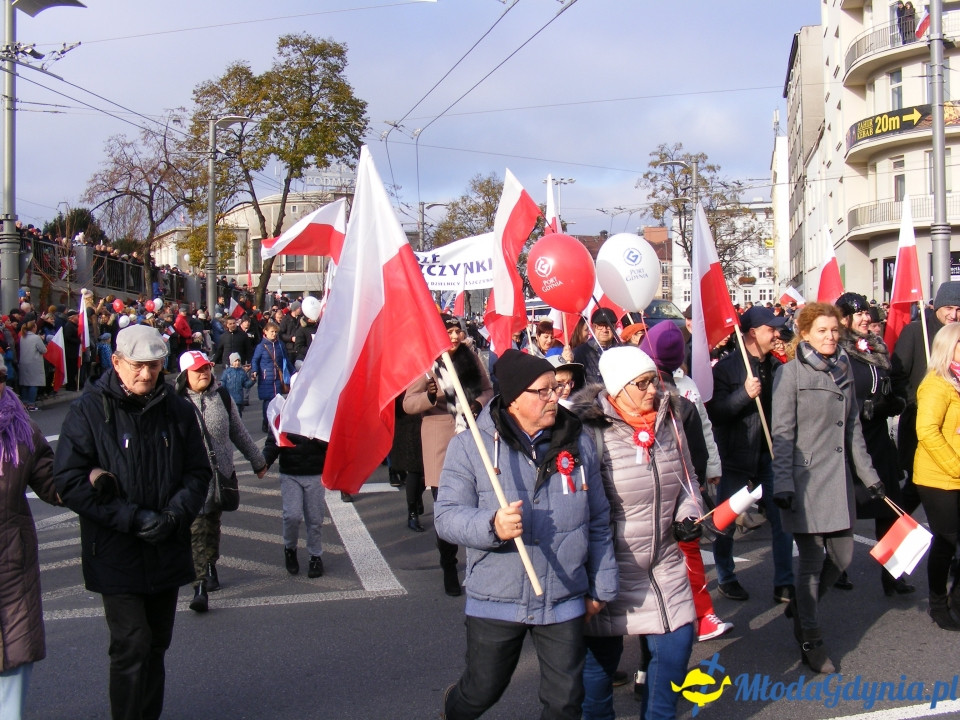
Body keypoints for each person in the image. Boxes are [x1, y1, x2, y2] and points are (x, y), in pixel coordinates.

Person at [435, 349, 618, 720]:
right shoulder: (471, 447)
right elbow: (447, 517)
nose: (556, 397)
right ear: (515, 398)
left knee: (565, 701)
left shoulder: (577, 441)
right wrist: (491, 526)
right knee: (481, 691)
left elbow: (599, 518)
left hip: (563, 594)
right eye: (544, 391)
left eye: (558, 387)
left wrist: (601, 587)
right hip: (497, 595)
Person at [52, 324, 210, 720]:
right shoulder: (88, 410)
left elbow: (197, 472)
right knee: (131, 645)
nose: (147, 374)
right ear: (118, 363)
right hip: (116, 549)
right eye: (138, 366)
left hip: (166, 543)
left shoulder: (178, 410)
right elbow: (70, 480)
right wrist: (131, 517)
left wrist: (176, 514)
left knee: (156, 644)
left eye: (154, 366)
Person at [571, 346, 701, 720]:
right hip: (609, 568)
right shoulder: (589, 431)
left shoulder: (670, 419)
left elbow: (688, 479)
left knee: (675, 651)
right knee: (598, 675)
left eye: (654, 381)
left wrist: (689, 513)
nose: (652, 391)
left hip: (663, 562)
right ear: (617, 388)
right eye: (641, 384)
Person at [771, 302, 885, 673]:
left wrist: (870, 477)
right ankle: (811, 638)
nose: (830, 337)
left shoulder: (845, 368)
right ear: (804, 334)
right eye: (822, 330)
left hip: (837, 480)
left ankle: (802, 607)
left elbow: (852, 428)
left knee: (844, 557)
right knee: (811, 562)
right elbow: (783, 434)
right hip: (805, 482)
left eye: (834, 330)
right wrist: (783, 483)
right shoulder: (790, 374)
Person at [640, 321, 732, 644]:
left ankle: (698, 615)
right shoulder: (650, 390)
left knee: (683, 553)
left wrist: (708, 471)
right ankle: (693, 616)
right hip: (666, 491)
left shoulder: (687, 390)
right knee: (673, 557)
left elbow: (703, 431)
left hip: (677, 489)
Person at [708, 305, 795, 604]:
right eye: (770, 329)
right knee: (726, 521)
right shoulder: (726, 369)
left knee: (782, 518)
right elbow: (716, 413)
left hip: (770, 455)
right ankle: (726, 577)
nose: (776, 334)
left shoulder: (778, 365)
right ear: (752, 333)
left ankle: (784, 581)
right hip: (736, 456)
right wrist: (744, 394)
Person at [403, 314, 493, 596]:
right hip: (439, 437)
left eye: (457, 331)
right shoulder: (426, 363)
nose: (454, 337)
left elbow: (488, 389)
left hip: (471, 433)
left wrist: (477, 405)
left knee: (478, 501)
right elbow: (408, 402)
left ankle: (479, 563)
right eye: (449, 332)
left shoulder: (469, 357)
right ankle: (448, 565)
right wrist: (430, 397)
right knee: (446, 506)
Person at [176, 350, 266, 612]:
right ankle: (199, 586)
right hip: (190, 481)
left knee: (212, 524)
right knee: (196, 528)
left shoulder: (222, 396)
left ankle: (210, 564)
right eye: (198, 370)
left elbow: (238, 432)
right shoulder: (175, 403)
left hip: (220, 476)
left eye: (206, 368)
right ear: (184, 376)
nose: (204, 373)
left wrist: (257, 460)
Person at [836, 292, 913, 596]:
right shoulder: (838, 352)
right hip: (850, 439)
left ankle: (892, 572)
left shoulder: (875, 346)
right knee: (845, 510)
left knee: (890, 507)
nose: (866, 318)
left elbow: (888, 384)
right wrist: (863, 406)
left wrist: (893, 402)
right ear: (844, 319)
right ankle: (837, 566)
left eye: (867, 313)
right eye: (859, 314)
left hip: (878, 438)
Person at [0, 364, 60, 720]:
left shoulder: (22, 431)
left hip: (11, 567)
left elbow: (53, 483)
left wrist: (92, 477)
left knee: (12, 659)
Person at [891, 281, 960, 514]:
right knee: (916, 485)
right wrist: (914, 401)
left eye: (959, 309)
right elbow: (898, 373)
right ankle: (895, 533)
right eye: (949, 308)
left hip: (952, 426)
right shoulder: (915, 331)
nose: (954, 314)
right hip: (919, 419)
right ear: (937, 307)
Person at [913, 322, 960, 631]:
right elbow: (926, 431)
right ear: (949, 348)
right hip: (937, 478)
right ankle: (938, 603)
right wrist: (956, 467)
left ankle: (955, 599)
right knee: (947, 542)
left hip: (954, 475)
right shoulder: (936, 384)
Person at [262, 394, 329, 578]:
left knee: (314, 518)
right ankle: (290, 549)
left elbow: (330, 442)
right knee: (292, 515)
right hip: (290, 473)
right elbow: (273, 442)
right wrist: (263, 463)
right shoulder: (283, 411)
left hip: (315, 473)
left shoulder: (321, 411)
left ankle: (315, 556)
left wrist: (316, 436)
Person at [251, 321, 290, 433]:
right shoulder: (261, 347)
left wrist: (293, 373)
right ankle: (266, 421)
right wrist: (254, 371)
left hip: (278, 378)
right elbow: (255, 360)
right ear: (266, 332)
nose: (274, 334)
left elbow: (285, 360)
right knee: (268, 402)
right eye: (272, 332)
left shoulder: (280, 345)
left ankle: (275, 423)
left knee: (277, 401)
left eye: (275, 332)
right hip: (266, 378)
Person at [574, 307, 619, 384]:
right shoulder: (580, 353)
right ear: (593, 327)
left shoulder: (623, 351)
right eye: (600, 326)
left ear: (614, 327)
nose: (604, 330)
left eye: (609, 326)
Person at [17, 321, 45, 412]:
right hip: (34, 363)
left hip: (23, 362)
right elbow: (43, 350)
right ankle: (31, 404)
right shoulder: (36, 338)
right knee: (33, 383)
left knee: (25, 383)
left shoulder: (22, 337)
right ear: (33, 328)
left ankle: (24, 403)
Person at [220, 352, 256, 417]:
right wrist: (222, 395)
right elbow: (223, 384)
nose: (237, 362)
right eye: (235, 361)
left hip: (239, 400)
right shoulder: (227, 372)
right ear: (231, 362)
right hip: (229, 399)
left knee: (238, 416)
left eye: (238, 361)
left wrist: (252, 380)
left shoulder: (242, 372)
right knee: (229, 416)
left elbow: (246, 384)